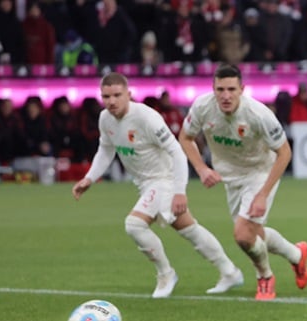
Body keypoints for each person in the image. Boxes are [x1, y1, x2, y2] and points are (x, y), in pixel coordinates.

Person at [72, 72, 244, 299]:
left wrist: (179, 191)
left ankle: (166, 274)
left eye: (117, 95)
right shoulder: (105, 118)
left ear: (129, 94)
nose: (111, 101)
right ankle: (229, 272)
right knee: (189, 229)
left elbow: (177, 152)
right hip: (144, 184)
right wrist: (90, 178)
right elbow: (106, 149)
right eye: (106, 96)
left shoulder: (147, 117)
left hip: (164, 180)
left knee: (134, 225)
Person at [178, 63, 307, 301]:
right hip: (230, 177)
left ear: (242, 89)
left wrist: (262, 194)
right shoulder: (202, 107)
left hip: (259, 172)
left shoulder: (258, 114)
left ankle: (265, 277)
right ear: (213, 89)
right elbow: (186, 138)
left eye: (231, 89)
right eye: (220, 90)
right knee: (254, 233)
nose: (225, 96)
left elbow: (285, 153)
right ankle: (297, 255)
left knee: (242, 235)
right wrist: (201, 168)